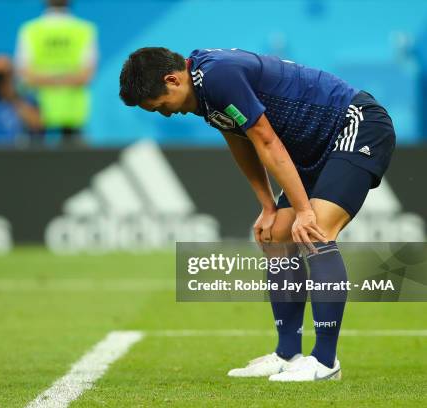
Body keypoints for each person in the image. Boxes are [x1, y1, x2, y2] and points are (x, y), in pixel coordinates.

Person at [119, 47, 396, 381]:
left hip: (355, 124)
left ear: (173, 79)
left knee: (315, 231)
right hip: (314, 146)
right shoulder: (203, 88)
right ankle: (288, 354)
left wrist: (305, 212)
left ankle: (325, 361)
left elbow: (265, 139)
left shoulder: (219, 76)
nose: (164, 115)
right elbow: (240, 140)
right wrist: (267, 206)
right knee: (278, 234)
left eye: (161, 105)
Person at [15, 0, 98, 146]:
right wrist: (65, 78)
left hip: (62, 117)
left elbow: (86, 76)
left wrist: (45, 79)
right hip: (40, 117)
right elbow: (25, 75)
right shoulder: (84, 29)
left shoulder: (31, 29)